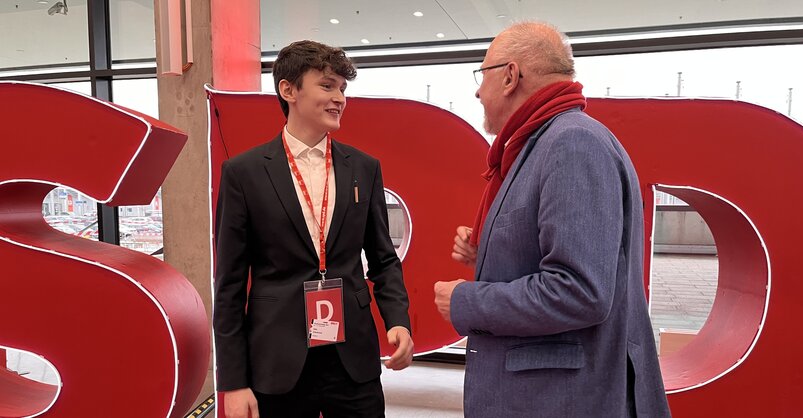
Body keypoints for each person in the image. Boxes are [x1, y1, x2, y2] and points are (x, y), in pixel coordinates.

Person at [434, 22, 671, 417]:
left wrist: (466, 300)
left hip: (560, 399)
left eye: (483, 73)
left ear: (510, 75)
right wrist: (488, 257)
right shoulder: (550, 140)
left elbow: (580, 291)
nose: (477, 91)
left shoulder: (571, 144)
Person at [214, 40, 413, 418]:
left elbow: (384, 260)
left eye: (342, 88)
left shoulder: (364, 168)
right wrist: (233, 383)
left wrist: (398, 320)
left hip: (352, 357)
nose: (339, 97)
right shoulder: (243, 173)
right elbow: (229, 287)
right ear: (288, 90)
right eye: (327, 85)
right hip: (277, 359)